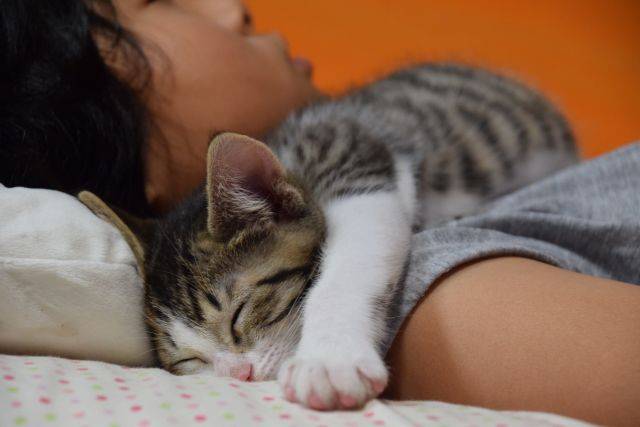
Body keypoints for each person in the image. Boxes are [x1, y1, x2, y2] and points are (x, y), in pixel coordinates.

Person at [1, 1, 638, 425]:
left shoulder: (328, 182)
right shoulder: (431, 288)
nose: (233, 8)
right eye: (160, 1)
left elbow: (362, 196)